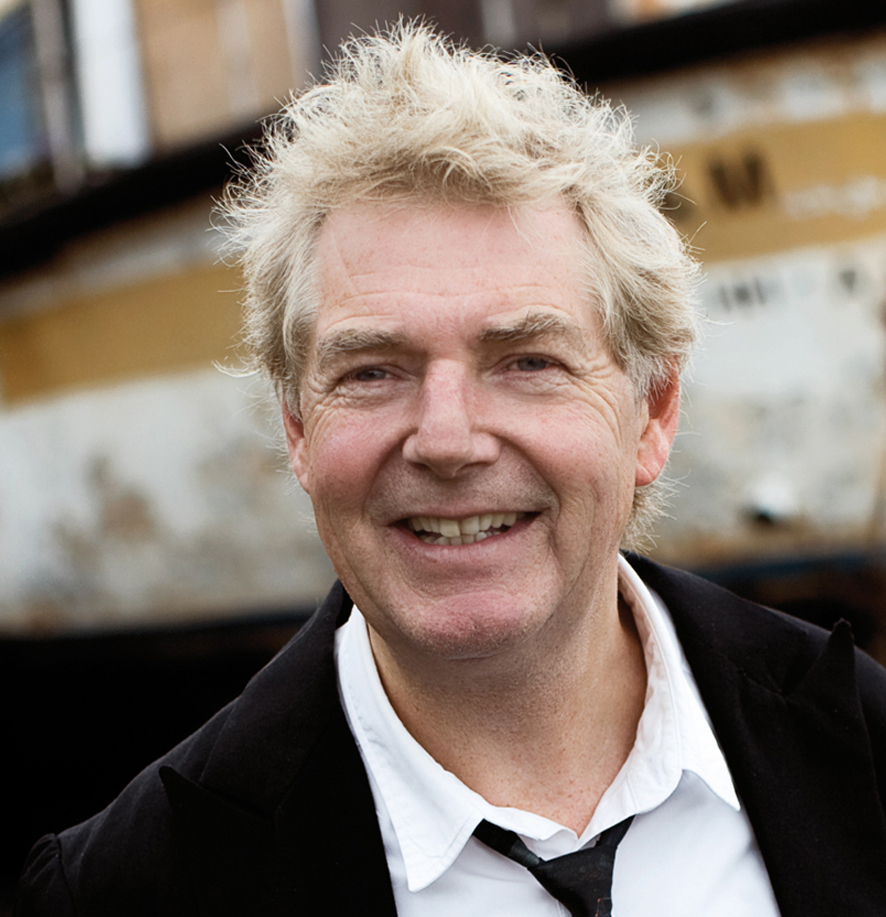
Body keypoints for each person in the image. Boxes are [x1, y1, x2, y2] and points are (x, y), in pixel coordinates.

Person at [16, 21, 886, 917]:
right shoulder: (127, 891)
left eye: (527, 361)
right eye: (372, 372)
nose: (446, 439)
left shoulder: (864, 753)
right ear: (297, 428)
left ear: (653, 411)